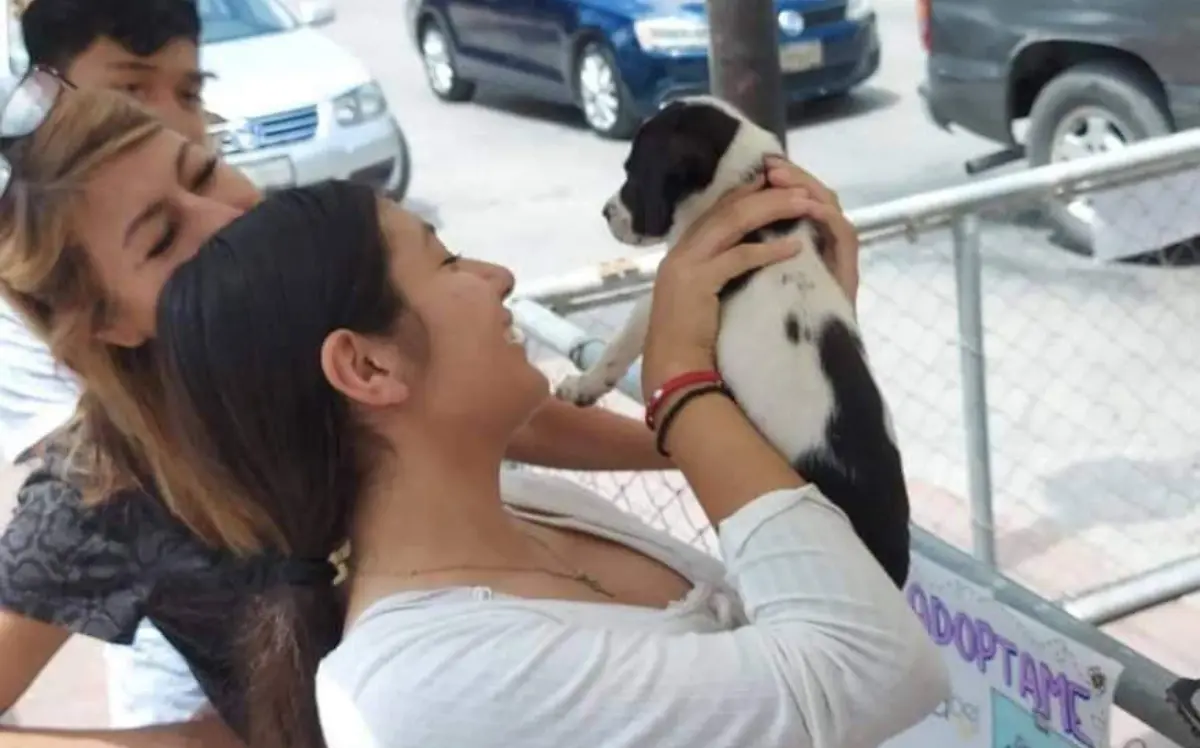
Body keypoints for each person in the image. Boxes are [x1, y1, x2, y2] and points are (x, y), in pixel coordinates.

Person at [0, 79, 858, 744]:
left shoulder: (493, 496)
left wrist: (724, 418)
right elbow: (859, 667)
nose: (227, 213)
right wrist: (202, 740)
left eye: (204, 168)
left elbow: (508, 414)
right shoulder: (98, 485)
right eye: (160, 238)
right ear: (102, 324)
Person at [150, 179, 948, 748]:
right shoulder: (422, 683)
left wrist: (783, 352)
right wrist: (679, 383)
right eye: (447, 261)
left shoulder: (531, 508)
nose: (497, 276)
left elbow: (807, 619)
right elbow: (874, 669)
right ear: (366, 367)